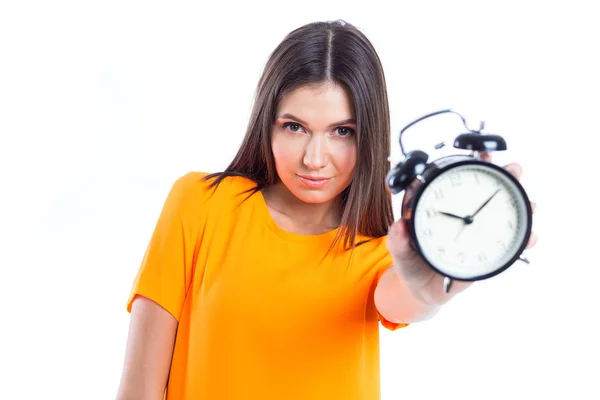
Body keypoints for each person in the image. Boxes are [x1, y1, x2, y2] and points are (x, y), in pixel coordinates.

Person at [115, 20, 537, 400]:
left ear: (368, 136)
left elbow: (407, 297)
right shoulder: (200, 204)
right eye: (295, 127)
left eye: (342, 131)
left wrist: (432, 284)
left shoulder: (380, 252)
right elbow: (138, 388)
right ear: (267, 123)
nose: (314, 159)